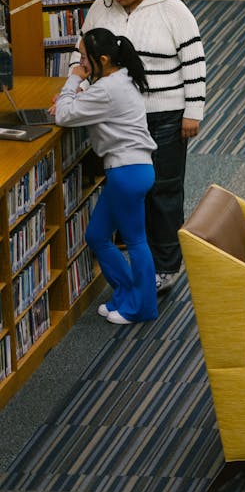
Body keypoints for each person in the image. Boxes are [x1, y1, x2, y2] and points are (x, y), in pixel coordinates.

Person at [78, 0, 207, 295]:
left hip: (165, 114)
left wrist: (193, 111)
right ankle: (140, 257)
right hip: (119, 115)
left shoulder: (172, 9)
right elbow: (85, 54)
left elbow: (193, 61)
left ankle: (166, 266)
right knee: (130, 188)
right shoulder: (101, 8)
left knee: (163, 190)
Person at [50, 28, 157, 325]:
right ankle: (126, 294)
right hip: (131, 169)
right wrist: (78, 94)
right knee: (96, 235)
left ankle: (142, 308)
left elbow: (64, 115)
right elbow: (76, 107)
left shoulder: (107, 89)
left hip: (127, 172)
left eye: (84, 58)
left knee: (136, 242)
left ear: (103, 59)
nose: (81, 63)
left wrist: (74, 80)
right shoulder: (119, 77)